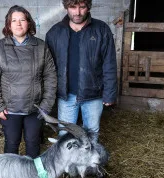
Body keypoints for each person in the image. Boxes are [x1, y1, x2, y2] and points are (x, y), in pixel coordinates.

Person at [0, 5, 57, 158]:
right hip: (10, 110)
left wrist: (45, 106)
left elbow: (50, 77)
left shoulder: (41, 46)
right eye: (14, 20)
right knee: (11, 143)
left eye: (22, 20)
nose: (18, 24)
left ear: (29, 23)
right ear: (8, 25)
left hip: (35, 109)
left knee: (33, 143)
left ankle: (33, 177)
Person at [45, 0, 117, 142]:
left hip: (93, 94)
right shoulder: (54, 33)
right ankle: (68, 165)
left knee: (91, 135)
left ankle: (90, 164)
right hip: (66, 96)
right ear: (66, 7)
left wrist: (110, 93)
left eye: (82, 7)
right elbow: (48, 68)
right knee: (66, 136)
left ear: (88, 7)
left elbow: (109, 63)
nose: (77, 12)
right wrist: (49, 94)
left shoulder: (101, 30)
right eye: (73, 7)